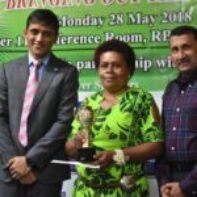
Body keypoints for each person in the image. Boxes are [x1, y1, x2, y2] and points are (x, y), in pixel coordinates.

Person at [65, 39, 163, 196]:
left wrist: (114, 156)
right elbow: (69, 149)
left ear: (129, 69)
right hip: (86, 191)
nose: (109, 70)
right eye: (104, 65)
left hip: (125, 191)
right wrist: (76, 143)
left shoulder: (141, 99)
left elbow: (156, 146)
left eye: (117, 65)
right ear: (98, 70)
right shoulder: (88, 103)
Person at [0, 9, 78, 197]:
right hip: (8, 169)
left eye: (47, 33)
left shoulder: (67, 73)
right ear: (25, 33)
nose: (39, 38)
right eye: (34, 31)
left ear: (55, 38)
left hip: (45, 171)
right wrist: (14, 161)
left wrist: (30, 161)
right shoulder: (6, 70)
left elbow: (63, 122)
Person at [158, 25, 197, 197]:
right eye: (175, 50)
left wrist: (185, 186)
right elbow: (162, 139)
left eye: (186, 47)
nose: (180, 56)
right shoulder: (170, 89)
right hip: (171, 182)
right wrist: (164, 182)